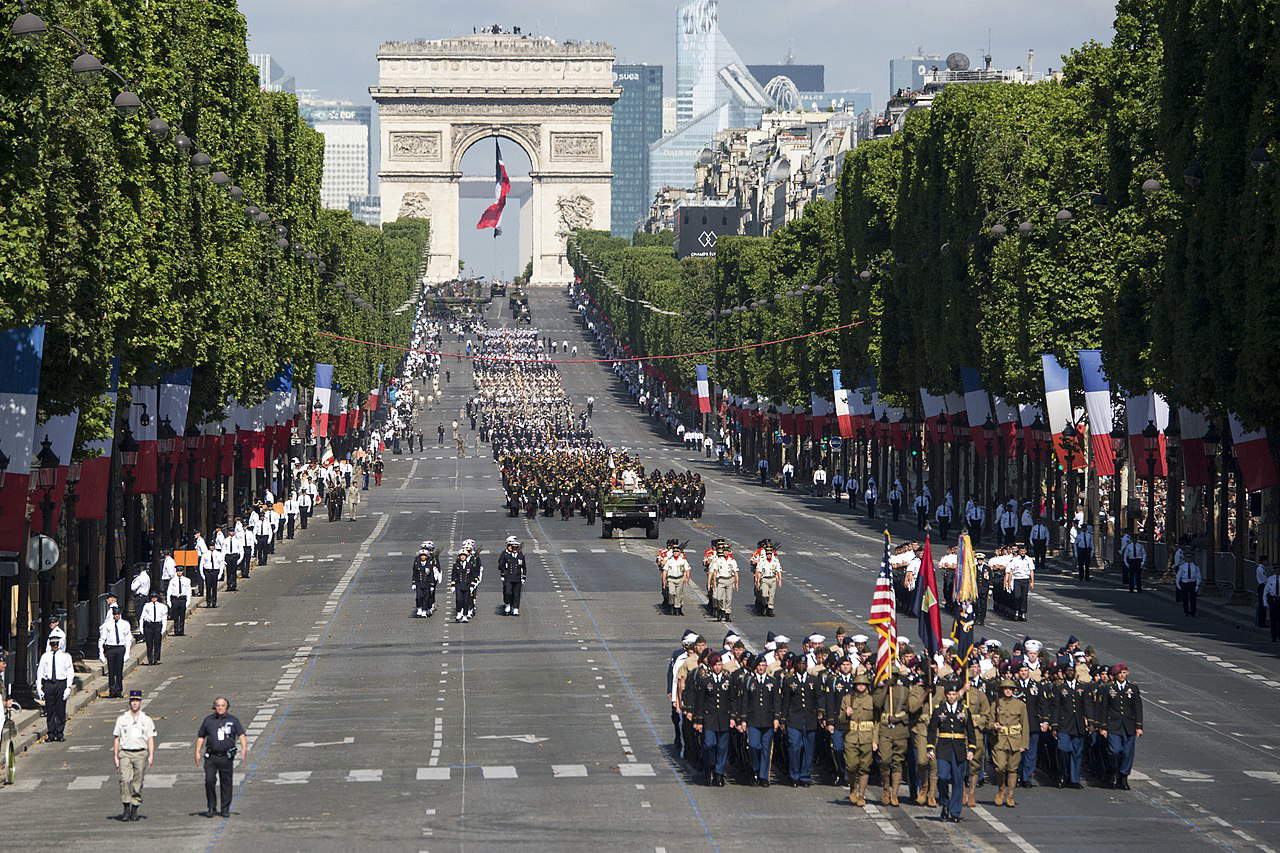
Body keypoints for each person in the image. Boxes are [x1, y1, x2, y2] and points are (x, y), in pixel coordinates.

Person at [927, 681, 976, 822]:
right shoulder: (939, 709)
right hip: (943, 748)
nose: (952, 697)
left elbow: (970, 731)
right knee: (942, 777)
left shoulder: (964, 709)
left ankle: (955, 812)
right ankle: (945, 803)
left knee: (957, 780)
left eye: (954, 694)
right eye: (949, 694)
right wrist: (930, 747)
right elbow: (932, 730)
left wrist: (971, 748)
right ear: (946, 695)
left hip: (959, 748)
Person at [194, 696, 247, 818]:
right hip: (211, 757)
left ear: (227, 707)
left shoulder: (233, 720)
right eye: (218, 705)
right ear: (214, 707)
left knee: (226, 783)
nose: (220, 708)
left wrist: (244, 748)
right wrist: (197, 751)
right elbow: (201, 736)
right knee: (209, 781)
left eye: (223, 705)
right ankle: (211, 807)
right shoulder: (208, 720)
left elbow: (241, 735)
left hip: (226, 757)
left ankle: (225, 808)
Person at [690, 652, 735, 786]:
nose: (718, 667)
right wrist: (698, 721)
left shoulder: (728, 679)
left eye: (720, 664)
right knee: (709, 744)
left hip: (724, 718)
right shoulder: (705, 680)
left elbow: (733, 700)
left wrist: (733, 717)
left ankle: (719, 773)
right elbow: (700, 702)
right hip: (709, 718)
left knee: (722, 747)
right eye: (715, 665)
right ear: (711, 666)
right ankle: (710, 766)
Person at [113, 689, 156, 821]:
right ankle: (126, 807)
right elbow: (117, 738)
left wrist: (151, 755)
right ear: (129, 702)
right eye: (132, 701)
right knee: (124, 780)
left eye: (137, 701)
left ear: (141, 702)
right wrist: (116, 756)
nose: (135, 703)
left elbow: (150, 738)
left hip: (140, 753)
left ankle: (135, 808)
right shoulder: (122, 719)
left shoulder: (146, 720)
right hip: (125, 752)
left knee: (137, 782)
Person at [1100, 663, 1143, 789]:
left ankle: (1123, 777)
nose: (1122, 675)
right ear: (1115, 675)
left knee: (1127, 753)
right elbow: (1104, 708)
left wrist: (1139, 726)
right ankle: (1113, 772)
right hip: (1113, 725)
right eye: (1120, 673)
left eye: (1124, 673)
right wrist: (1103, 726)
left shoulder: (1132, 688)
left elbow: (1137, 708)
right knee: (1115, 750)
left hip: (1129, 725)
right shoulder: (1109, 688)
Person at [838, 672, 877, 806]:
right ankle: (853, 788)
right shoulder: (847, 698)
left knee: (865, 767)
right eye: (858, 684)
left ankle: (861, 794)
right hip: (852, 736)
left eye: (863, 684)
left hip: (867, 736)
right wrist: (846, 714)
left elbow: (876, 722)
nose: (861, 686)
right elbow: (840, 719)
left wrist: (875, 740)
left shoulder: (872, 700)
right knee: (851, 765)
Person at [990, 678, 1028, 808]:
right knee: (1000, 767)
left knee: (1012, 769)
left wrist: (1024, 744)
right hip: (1000, 740)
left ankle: (1010, 795)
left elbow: (1025, 725)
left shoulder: (1020, 705)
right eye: (1005, 688)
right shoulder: (995, 704)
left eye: (1010, 689)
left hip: (1015, 740)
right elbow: (989, 721)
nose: (1008, 691)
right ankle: (1001, 789)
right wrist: (993, 725)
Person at [36, 635, 73, 742]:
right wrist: (39, 687)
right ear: (50, 645)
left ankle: (60, 733)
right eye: (53, 644)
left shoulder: (66, 656)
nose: (55, 646)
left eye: (56, 644)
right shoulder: (45, 656)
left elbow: (70, 672)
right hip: (49, 684)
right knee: (50, 710)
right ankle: (51, 733)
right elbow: (40, 671)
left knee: (60, 710)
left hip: (61, 683)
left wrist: (68, 687)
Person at [98, 606, 132, 698]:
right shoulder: (107, 625)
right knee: (111, 671)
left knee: (119, 671)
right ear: (113, 615)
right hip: (110, 649)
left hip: (120, 648)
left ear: (120, 614)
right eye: (115, 614)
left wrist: (127, 652)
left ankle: (119, 690)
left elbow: (128, 638)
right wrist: (101, 653)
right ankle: (112, 690)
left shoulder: (125, 624)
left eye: (118, 614)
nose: (116, 616)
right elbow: (102, 639)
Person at [706, 540, 739, 621]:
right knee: (719, 598)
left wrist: (736, 583)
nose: (726, 553)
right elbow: (715, 571)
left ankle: (727, 614)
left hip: (729, 580)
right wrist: (713, 582)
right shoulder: (718, 560)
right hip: (720, 580)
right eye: (724, 551)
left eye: (727, 551)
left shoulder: (732, 561)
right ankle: (720, 610)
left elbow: (735, 572)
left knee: (728, 599)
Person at [452, 540, 483, 623]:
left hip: (469, 583)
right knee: (459, 599)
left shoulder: (474, 558)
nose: (468, 552)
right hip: (460, 584)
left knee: (470, 598)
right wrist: (453, 584)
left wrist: (475, 581)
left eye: (469, 551)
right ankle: (460, 612)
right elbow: (454, 573)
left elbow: (476, 570)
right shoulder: (457, 562)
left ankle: (468, 611)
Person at [498, 536, 527, 616]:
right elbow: (501, 565)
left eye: (515, 548)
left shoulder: (520, 555)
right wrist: (503, 574)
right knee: (508, 592)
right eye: (512, 547)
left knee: (516, 594)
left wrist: (523, 577)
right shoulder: (506, 555)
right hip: (508, 578)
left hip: (517, 578)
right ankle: (507, 604)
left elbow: (523, 567)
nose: (513, 549)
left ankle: (515, 608)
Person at [411, 543, 442, 618]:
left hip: (430, 579)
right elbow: (415, 571)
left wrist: (439, 573)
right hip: (420, 581)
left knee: (429, 594)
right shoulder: (417, 559)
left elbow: (436, 565)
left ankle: (429, 607)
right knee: (419, 596)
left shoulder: (433, 557)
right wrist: (414, 582)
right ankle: (421, 609)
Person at [661, 543, 692, 616]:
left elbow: (687, 569)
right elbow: (665, 570)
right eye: (674, 552)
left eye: (677, 552)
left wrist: (687, 578)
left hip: (679, 579)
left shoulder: (683, 561)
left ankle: (677, 608)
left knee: (679, 594)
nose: (676, 553)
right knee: (671, 593)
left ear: (679, 553)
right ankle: (671, 605)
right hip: (671, 579)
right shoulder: (669, 561)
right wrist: (664, 580)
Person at [140, 590, 168, 665]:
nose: (154, 599)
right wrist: (141, 628)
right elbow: (142, 617)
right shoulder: (147, 605)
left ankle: (156, 658)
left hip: (157, 625)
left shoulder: (162, 606)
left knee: (157, 643)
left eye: (155, 597)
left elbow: (164, 617)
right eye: (152, 597)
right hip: (149, 625)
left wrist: (164, 628)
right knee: (149, 644)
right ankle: (150, 659)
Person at [754, 543, 782, 617]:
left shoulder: (775, 561)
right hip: (765, 579)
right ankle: (764, 605)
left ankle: (770, 609)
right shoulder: (762, 561)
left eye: (770, 554)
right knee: (764, 595)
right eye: (768, 554)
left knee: (772, 595)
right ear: (766, 554)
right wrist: (757, 581)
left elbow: (778, 571)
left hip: (772, 579)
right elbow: (759, 572)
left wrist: (779, 580)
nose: (769, 555)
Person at [167, 566, 192, 636]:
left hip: (182, 599)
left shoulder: (187, 580)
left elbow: (188, 591)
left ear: (182, 572)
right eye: (178, 571)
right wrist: (169, 601)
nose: (179, 572)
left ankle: (181, 631)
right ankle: (176, 630)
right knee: (175, 616)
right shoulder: (172, 580)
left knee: (182, 616)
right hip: (175, 599)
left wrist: (188, 601)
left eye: (180, 571)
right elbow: (169, 591)